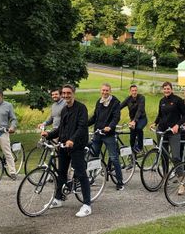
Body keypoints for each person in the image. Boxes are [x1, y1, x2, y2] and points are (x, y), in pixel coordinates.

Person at [41, 85, 93, 217]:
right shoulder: (64, 109)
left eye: (68, 93)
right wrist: (49, 134)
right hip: (64, 145)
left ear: (73, 93)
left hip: (77, 146)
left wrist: (73, 140)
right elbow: (60, 129)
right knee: (61, 173)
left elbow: (82, 128)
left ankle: (87, 205)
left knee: (81, 174)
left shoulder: (81, 108)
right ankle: (58, 199)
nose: (65, 95)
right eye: (63, 93)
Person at [88, 83, 124, 190]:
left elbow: (116, 117)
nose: (104, 92)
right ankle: (91, 179)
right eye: (103, 90)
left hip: (109, 134)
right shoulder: (99, 102)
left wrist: (110, 126)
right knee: (93, 156)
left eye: (107, 90)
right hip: (98, 133)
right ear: (100, 91)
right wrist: (83, 124)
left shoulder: (115, 102)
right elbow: (94, 117)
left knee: (113, 157)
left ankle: (120, 182)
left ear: (110, 91)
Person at [151, 82, 185, 174]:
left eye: (168, 89)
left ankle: (180, 179)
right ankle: (165, 176)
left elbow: (184, 116)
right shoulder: (161, 101)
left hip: (173, 132)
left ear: (171, 89)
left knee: (175, 157)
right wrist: (155, 123)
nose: (166, 90)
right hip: (162, 131)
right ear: (163, 90)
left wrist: (177, 125)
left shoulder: (178, 100)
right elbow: (160, 114)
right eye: (165, 89)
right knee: (163, 155)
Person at [119, 85, 147, 153]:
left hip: (142, 119)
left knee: (138, 128)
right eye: (132, 91)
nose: (134, 92)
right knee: (132, 137)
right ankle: (133, 153)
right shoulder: (128, 99)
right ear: (130, 91)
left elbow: (140, 110)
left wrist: (134, 120)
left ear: (137, 91)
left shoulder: (141, 98)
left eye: (135, 90)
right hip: (133, 120)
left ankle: (140, 147)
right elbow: (120, 106)